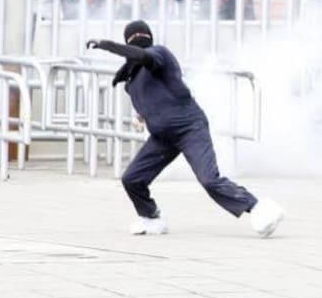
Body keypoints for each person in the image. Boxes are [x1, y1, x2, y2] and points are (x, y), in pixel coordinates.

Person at [86, 20, 285, 237]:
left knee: (209, 179)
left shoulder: (158, 54)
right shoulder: (131, 82)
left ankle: (258, 208)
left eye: (140, 36)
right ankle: (151, 218)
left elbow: (143, 56)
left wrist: (107, 45)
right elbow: (149, 100)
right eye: (133, 38)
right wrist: (142, 115)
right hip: (162, 137)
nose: (138, 40)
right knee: (132, 179)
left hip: (190, 127)